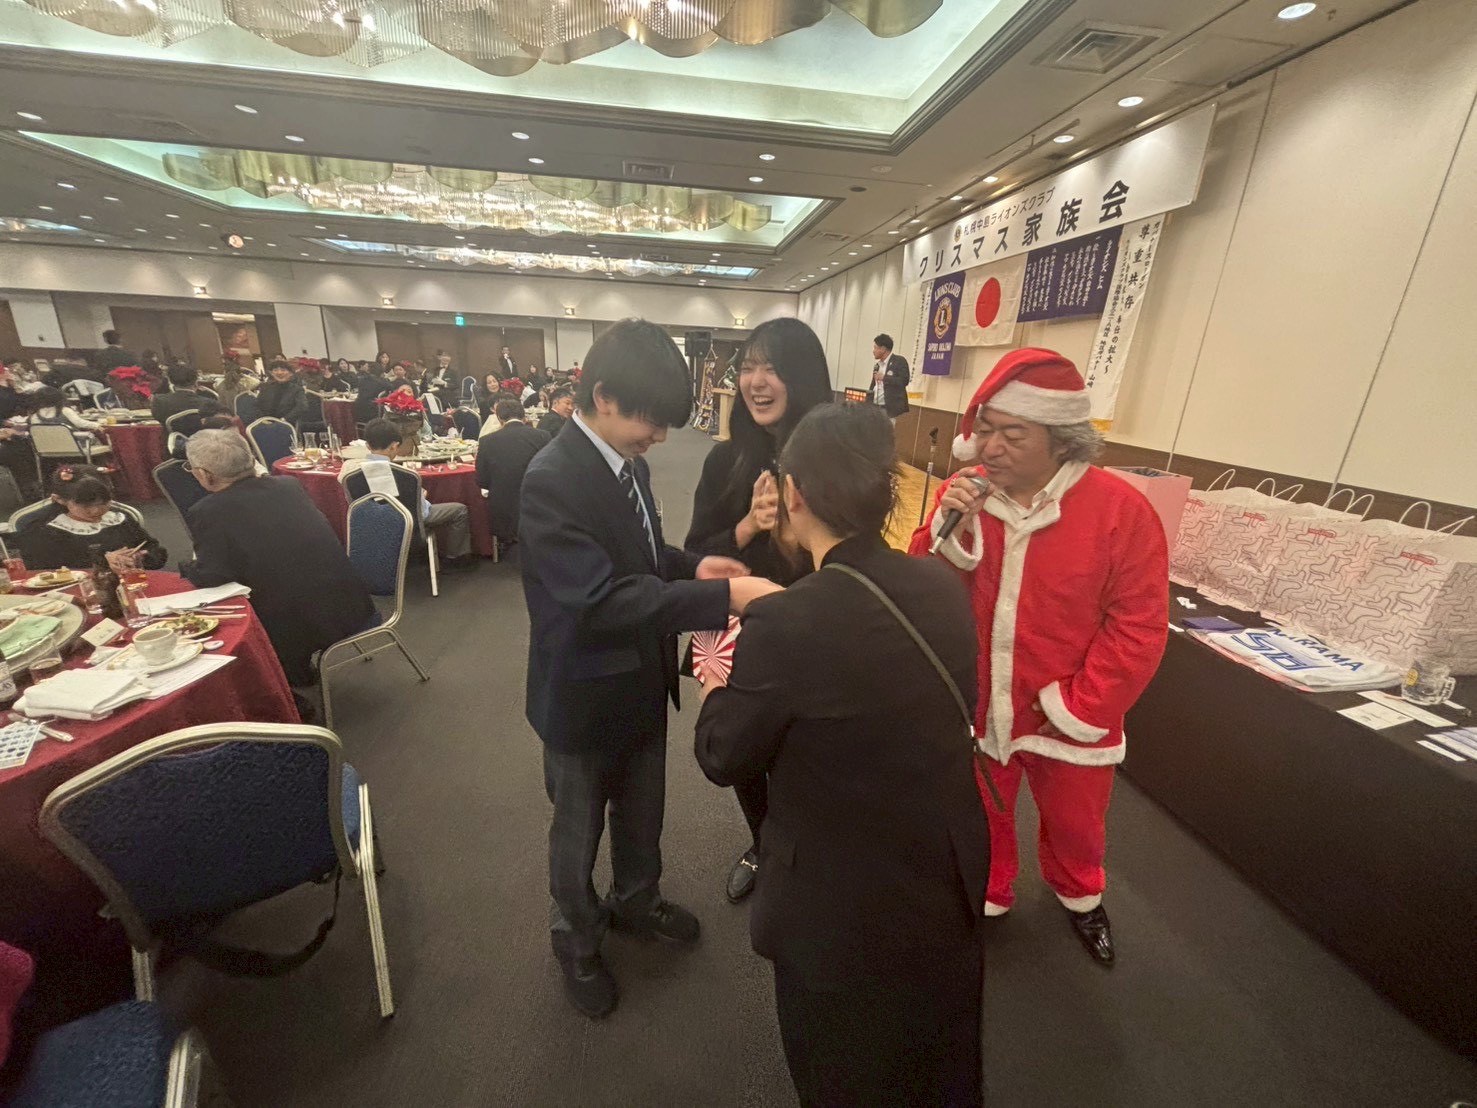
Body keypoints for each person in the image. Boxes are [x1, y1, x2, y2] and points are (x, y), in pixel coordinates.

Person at [696, 402, 987, 1107]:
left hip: (838, 903)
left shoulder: (785, 621)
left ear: (793, 493)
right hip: (940, 868)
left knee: (842, 1070)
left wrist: (713, 657)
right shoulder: (940, 586)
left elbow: (722, 754)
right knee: (940, 1056)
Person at [518, 317, 780, 1020]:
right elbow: (599, 599)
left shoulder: (624, 461)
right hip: (580, 693)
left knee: (642, 811)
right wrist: (724, 597)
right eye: (650, 421)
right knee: (577, 832)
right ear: (602, 396)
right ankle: (577, 938)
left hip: (638, 678)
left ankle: (637, 900)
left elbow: (639, 555)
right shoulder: (551, 479)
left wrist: (694, 566)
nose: (660, 438)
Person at [909, 348, 1168, 966]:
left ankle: (1082, 897)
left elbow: (1138, 626)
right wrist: (947, 526)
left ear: (1060, 438)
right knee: (982, 809)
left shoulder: (1121, 512)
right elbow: (920, 586)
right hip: (980, 699)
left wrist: (1079, 707)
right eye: (985, 429)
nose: (990, 447)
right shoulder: (964, 495)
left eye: (1012, 433)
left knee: (1076, 822)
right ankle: (990, 891)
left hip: (1069, 710)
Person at [684, 316, 834, 903]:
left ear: (803, 375)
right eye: (748, 367)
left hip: (811, 631)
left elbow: (854, 552)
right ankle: (762, 841)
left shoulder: (830, 457)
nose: (756, 381)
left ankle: (804, 845)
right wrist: (747, 528)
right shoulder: (725, 460)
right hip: (736, 631)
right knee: (743, 752)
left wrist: (798, 539)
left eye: (772, 368)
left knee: (806, 750)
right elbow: (695, 554)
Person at [182, 430, 375, 687]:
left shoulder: (208, 511)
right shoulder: (288, 486)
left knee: (220, 615)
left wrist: (186, 568)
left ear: (205, 475)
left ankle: (280, 685)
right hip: (349, 603)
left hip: (293, 626)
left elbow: (215, 576)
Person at [350, 419, 476, 572]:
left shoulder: (351, 475)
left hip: (370, 527)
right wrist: (421, 495)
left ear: (368, 446)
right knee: (460, 510)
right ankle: (455, 559)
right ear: (394, 446)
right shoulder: (407, 476)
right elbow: (421, 512)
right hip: (410, 524)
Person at [17, 465, 167, 573]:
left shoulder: (119, 519)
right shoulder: (44, 530)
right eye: (85, 506)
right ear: (60, 500)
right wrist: (102, 563)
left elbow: (154, 550)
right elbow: (42, 570)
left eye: (104, 503)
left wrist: (138, 558)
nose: (96, 510)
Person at [475, 397, 549, 546]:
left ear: (499, 418)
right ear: (524, 416)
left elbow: (482, 480)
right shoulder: (543, 436)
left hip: (503, 509)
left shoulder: (487, 441)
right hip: (538, 505)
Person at [150, 364, 208, 444]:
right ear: (196, 381)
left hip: (173, 446)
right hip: (204, 445)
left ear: (170, 381)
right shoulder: (209, 403)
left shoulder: (159, 401)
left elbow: (158, 419)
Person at [28, 387, 103, 435]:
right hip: (74, 445)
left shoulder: (34, 417)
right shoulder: (65, 411)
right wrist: (98, 425)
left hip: (49, 448)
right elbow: (80, 423)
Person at [870, 333, 910, 422]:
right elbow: (873, 386)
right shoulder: (877, 365)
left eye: (875, 348)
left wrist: (885, 378)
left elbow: (904, 381)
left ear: (883, 349)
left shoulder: (899, 361)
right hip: (874, 407)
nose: (873, 351)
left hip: (888, 409)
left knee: (886, 430)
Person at [256, 359, 308, 426]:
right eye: (275, 370)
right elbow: (257, 405)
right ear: (271, 373)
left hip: (287, 424)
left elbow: (302, 406)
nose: (279, 373)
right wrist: (262, 419)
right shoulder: (265, 387)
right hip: (265, 423)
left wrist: (285, 419)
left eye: (283, 370)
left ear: (291, 373)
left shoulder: (296, 389)